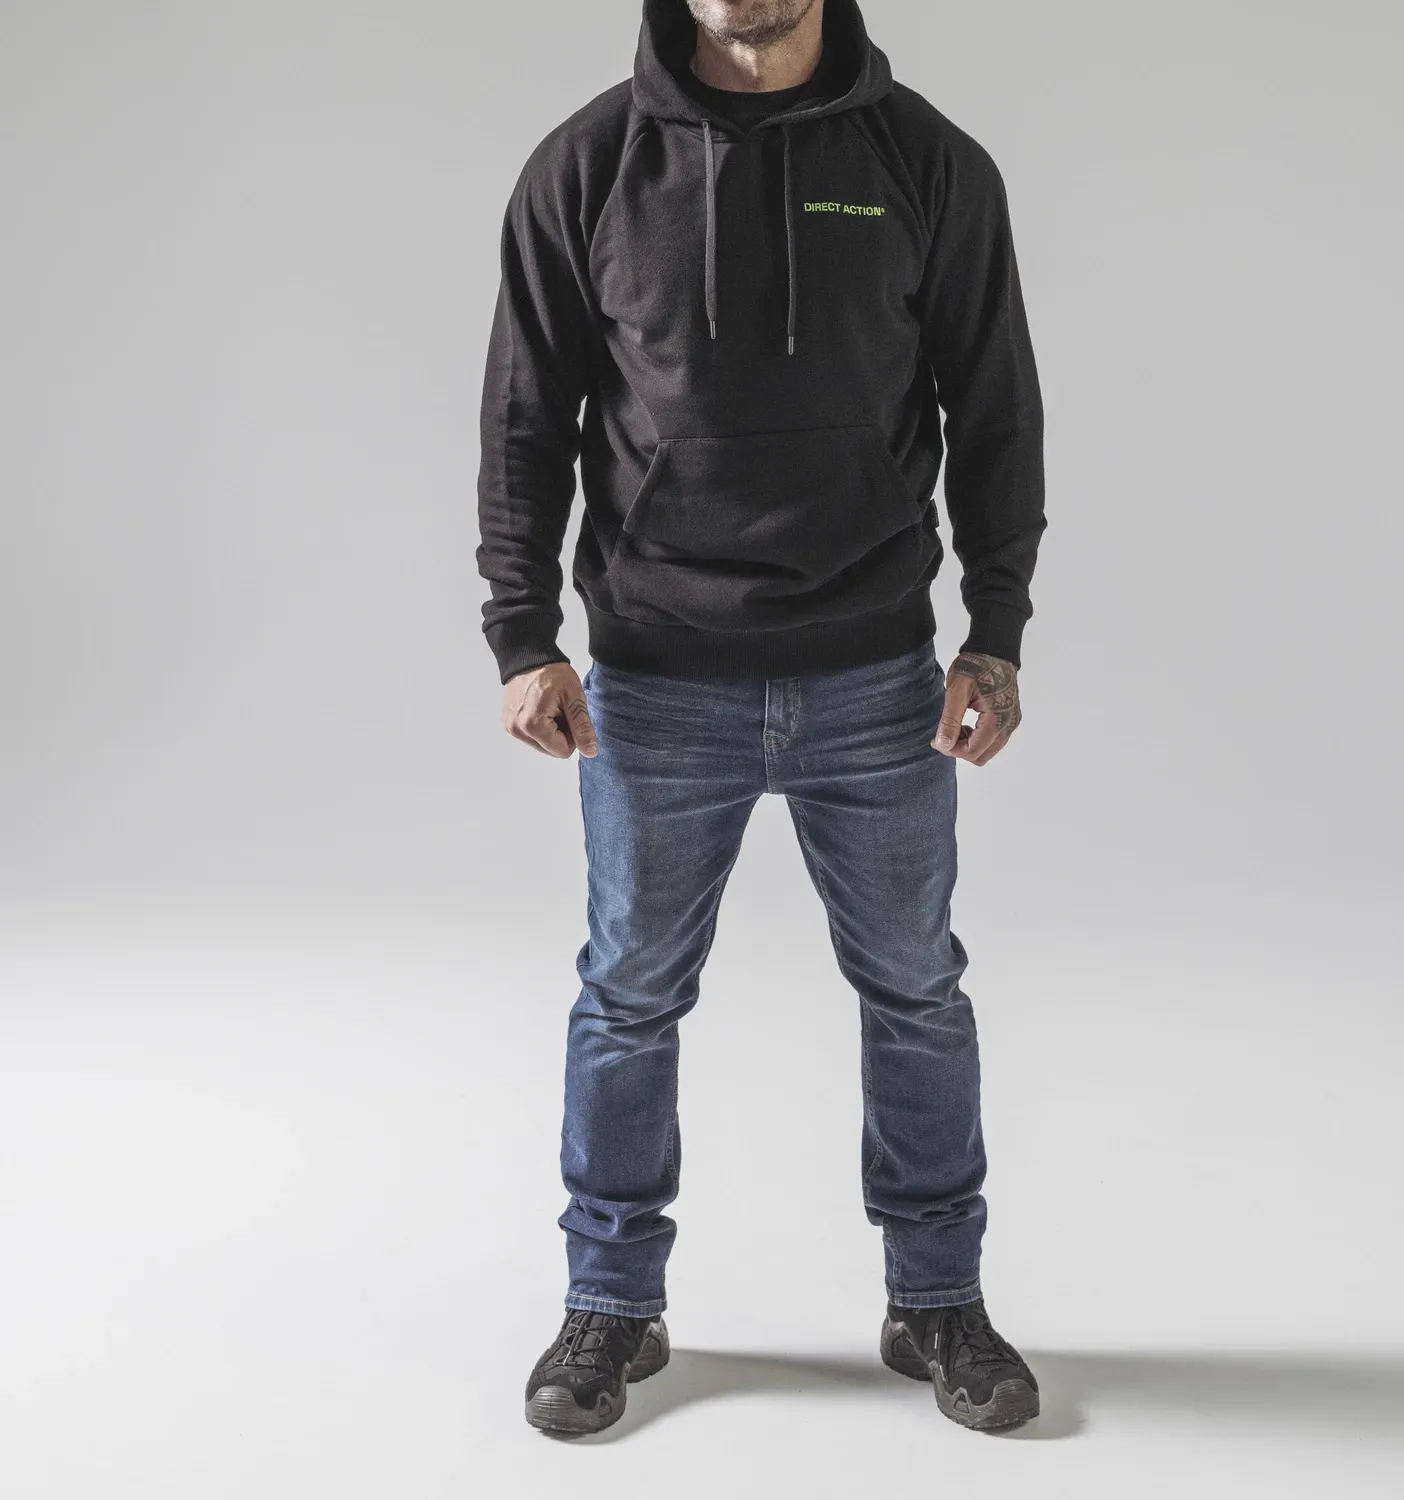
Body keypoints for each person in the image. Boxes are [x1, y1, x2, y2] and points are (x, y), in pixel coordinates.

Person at [476, 0, 1047, 1436]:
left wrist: (995, 634)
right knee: (628, 999)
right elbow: (527, 414)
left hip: (878, 676)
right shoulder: (585, 167)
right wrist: (522, 635)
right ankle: (611, 1304)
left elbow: (994, 406)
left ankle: (939, 1298)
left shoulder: (929, 163)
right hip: (656, 677)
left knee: (917, 991)